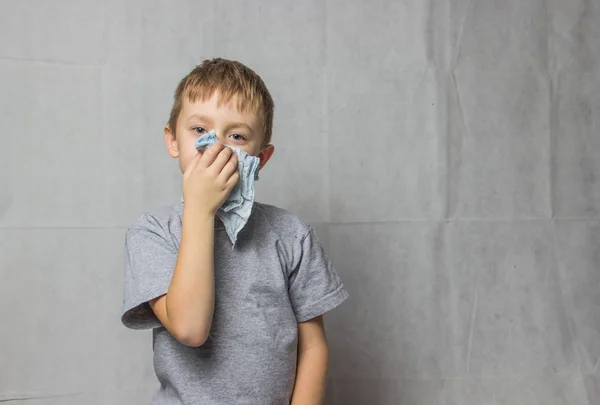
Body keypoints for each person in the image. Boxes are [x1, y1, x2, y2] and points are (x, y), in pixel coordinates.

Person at [121, 58, 348, 405]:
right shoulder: (153, 233)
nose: (216, 148)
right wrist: (199, 210)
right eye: (200, 131)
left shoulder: (292, 235)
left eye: (237, 136)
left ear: (261, 158)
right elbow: (190, 329)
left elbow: (313, 346)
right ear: (173, 141)